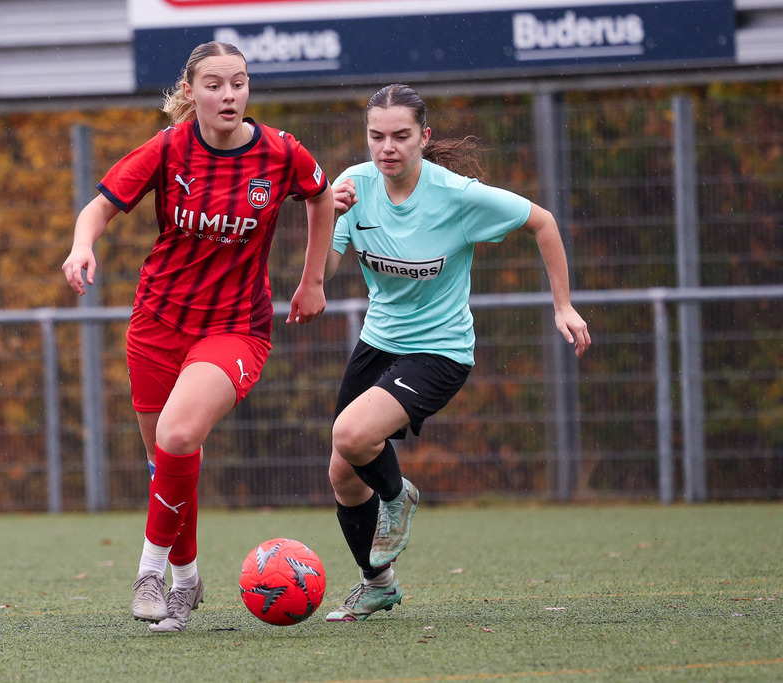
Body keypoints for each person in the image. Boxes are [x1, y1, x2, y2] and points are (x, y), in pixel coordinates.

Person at [61, 41, 335, 633]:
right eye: (214, 85)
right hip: (157, 324)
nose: (229, 95)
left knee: (180, 433)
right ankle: (186, 581)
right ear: (191, 92)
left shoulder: (281, 152)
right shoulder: (169, 148)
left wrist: (312, 281)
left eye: (239, 83)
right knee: (167, 461)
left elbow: (320, 197)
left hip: (235, 327)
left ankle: (149, 574)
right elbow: (97, 209)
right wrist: (83, 246)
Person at [323, 83, 591, 622]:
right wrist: (324, 216)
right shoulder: (352, 186)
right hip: (378, 342)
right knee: (343, 473)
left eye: (401, 136)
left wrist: (563, 305)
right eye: (377, 136)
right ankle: (378, 584)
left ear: (424, 137)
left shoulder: (457, 196)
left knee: (351, 435)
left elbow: (543, 222)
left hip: (439, 351)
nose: (387, 148)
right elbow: (325, 269)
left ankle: (399, 497)